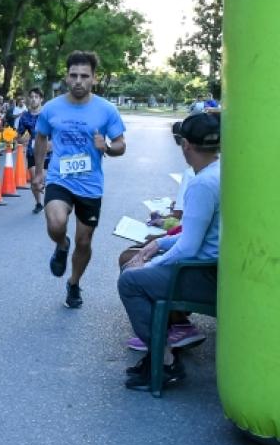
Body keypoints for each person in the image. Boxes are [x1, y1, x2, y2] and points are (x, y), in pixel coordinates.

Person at [117, 112, 220, 391]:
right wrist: (157, 245)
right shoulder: (220, 173)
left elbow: (189, 246)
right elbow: (196, 233)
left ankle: (164, 362)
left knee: (130, 280)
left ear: (186, 144)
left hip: (203, 275)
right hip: (212, 268)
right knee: (138, 266)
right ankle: (160, 355)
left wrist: (149, 265)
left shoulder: (203, 183)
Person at [32, 50, 126, 309]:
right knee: (56, 222)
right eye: (73, 75)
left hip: (90, 184)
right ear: (66, 77)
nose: (78, 81)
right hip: (60, 178)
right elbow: (41, 137)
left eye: (84, 76)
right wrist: (39, 171)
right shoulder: (51, 108)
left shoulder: (106, 110)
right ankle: (62, 245)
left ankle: (73, 283)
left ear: (94, 79)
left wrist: (105, 147)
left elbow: (121, 145)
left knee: (85, 241)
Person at [16, 87, 50, 213]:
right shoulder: (25, 116)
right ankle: (38, 203)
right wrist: (22, 140)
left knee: (43, 177)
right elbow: (19, 136)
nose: (33, 99)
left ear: (41, 99)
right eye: (32, 97)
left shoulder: (47, 114)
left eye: (36, 97)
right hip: (32, 151)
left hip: (47, 151)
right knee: (34, 181)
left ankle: (50, 196)